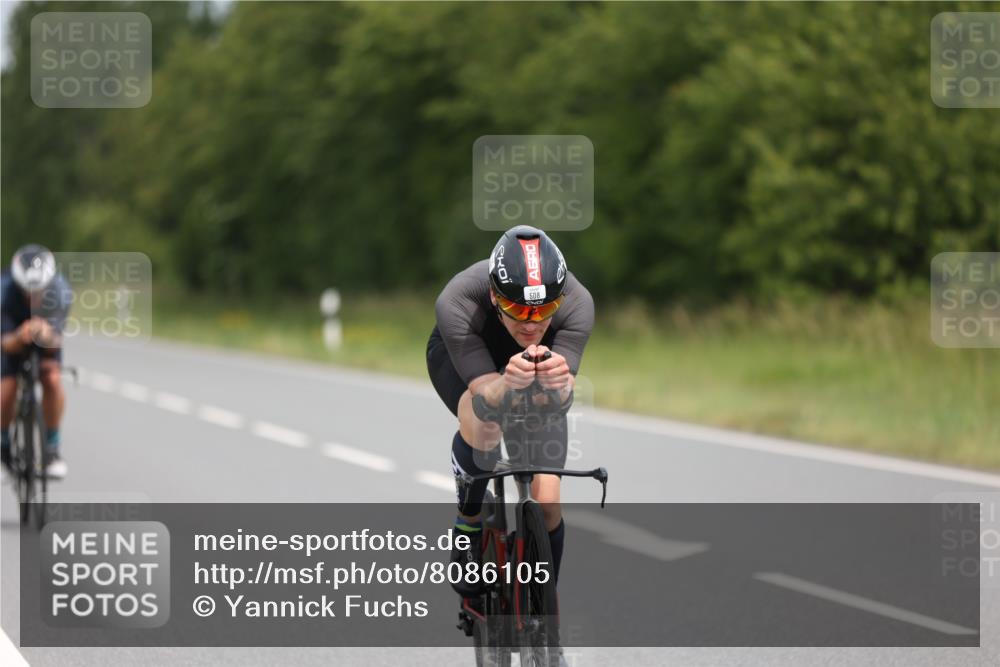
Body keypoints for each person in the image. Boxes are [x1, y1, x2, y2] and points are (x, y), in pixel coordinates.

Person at [426, 225, 594, 601]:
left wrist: (558, 385)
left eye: (544, 310)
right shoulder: (458, 300)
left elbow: (560, 400)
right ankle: (468, 525)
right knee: (483, 422)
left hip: (531, 373)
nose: (532, 324)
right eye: (518, 310)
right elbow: (487, 398)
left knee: (547, 495)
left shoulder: (578, 303)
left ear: (560, 298)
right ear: (493, 295)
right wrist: (506, 382)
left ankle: (544, 606)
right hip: (466, 361)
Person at [1, 244, 73, 479]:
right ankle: (2, 446)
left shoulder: (61, 292)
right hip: (11, 334)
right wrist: (19, 336)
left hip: (46, 339)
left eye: (39, 292)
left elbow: (55, 343)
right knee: (7, 386)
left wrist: (44, 335)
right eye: (27, 292)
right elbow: (5, 344)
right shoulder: (4, 292)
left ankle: (52, 448)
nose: (32, 297)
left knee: (52, 379)